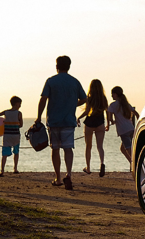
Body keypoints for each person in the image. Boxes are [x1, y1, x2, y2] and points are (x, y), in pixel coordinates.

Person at [36, 56, 87, 190]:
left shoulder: (51, 81)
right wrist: (72, 104)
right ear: (69, 66)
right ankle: (68, 174)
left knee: (55, 149)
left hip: (53, 120)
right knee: (68, 148)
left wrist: (38, 117)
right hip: (69, 120)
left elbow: (43, 99)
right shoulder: (74, 82)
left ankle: (58, 178)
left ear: (56, 66)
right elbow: (84, 99)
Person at [77, 79, 109, 176]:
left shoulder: (89, 98)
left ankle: (88, 167)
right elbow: (107, 112)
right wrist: (108, 123)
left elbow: (87, 111)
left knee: (88, 147)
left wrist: (79, 118)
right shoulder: (104, 98)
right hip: (100, 123)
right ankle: (102, 163)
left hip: (89, 123)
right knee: (100, 147)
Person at [0, 96, 23, 177]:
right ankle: (15, 168)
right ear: (16, 104)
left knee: (4, 154)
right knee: (16, 152)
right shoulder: (19, 113)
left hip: (7, 135)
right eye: (19, 104)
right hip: (15, 135)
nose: (20, 106)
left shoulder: (6, 112)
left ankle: (2, 170)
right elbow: (21, 125)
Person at [107, 86, 139, 164]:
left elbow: (109, 117)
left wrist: (112, 122)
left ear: (115, 94)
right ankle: (132, 163)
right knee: (123, 149)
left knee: (128, 149)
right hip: (131, 128)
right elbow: (137, 114)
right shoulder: (125, 104)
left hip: (123, 130)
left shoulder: (113, 105)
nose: (111, 96)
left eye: (112, 94)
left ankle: (135, 164)